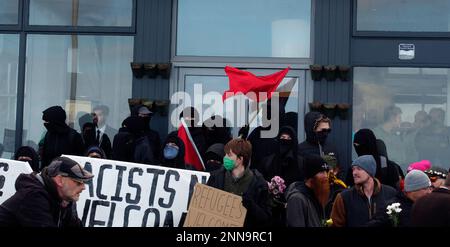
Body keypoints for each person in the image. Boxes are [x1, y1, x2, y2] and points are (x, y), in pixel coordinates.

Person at [0, 156, 93, 227]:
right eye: (78, 182)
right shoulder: (33, 196)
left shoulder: (65, 199)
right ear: (59, 180)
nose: (83, 187)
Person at [207, 138, 271, 227]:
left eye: (229, 155)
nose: (225, 158)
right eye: (225, 154)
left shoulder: (258, 184)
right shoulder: (215, 177)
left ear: (240, 159)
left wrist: (251, 205)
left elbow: (265, 218)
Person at [331, 155, 397, 227]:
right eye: (353, 169)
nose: (354, 173)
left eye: (359, 169)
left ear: (370, 171)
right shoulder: (344, 197)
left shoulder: (390, 193)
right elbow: (336, 224)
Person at [286, 155, 330, 227]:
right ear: (311, 177)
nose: (325, 176)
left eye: (326, 171)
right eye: (321, 172)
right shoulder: (297, 199)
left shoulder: (317, 194)